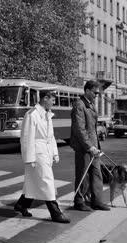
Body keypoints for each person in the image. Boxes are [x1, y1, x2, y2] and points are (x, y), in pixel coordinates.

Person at [14, 87, 70, 223]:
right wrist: (29, 158)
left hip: (46, 152)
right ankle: (55, 213)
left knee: (33, 182)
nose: (54, 102)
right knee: (47, 181)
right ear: (45, 98)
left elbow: (50, 136)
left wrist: (55, 152)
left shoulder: (47, 114)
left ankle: (21, 205)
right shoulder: (32, 114)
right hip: (37, 153)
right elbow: (26, 138)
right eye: (52, 99)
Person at [70, 80, 110, 211]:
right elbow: (79, 129)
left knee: (97, 174)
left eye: (98, 93)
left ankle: (97, 201)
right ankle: (79, 202)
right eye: (95, 93)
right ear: (87, 91)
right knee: (82, 175)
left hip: (93, 147)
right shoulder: (79, 105)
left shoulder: (90, 104)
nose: (96, 95)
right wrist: (89, 146)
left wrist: (95, 146)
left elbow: (92, 128)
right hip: (84, 147)